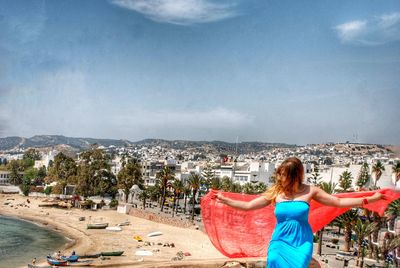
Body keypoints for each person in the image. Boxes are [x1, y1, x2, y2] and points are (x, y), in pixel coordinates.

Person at [215, 157, 387, 268]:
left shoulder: (311, 191)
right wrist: (225, 199)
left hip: (301, 241)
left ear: (295, 175)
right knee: (273, 260)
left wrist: (370, 199)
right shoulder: (276, 192)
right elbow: (249, 206)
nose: (280, 178)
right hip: (279, 240)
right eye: (279, 174)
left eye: (283, 175)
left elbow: (339, 202)